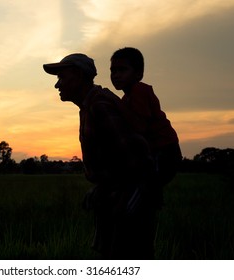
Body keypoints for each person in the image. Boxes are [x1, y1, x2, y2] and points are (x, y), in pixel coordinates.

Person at [43, 53, 156, 259]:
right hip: (118, 196)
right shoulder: (90, 106)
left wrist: (122, 196)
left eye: (61, 78)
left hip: (128, 198)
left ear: (78, 76)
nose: (57, 85)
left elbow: (132, 159)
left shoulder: (99, 106)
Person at [110, 47, 182, 209]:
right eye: (113, 71)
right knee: (145, 187)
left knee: (142, 190)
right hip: (155, 152)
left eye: (122, 70)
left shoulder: (139, 90)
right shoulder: (127, 97)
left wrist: (115, 103)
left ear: (138, 74)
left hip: (164, 151)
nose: (116, 75)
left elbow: (140, 127)